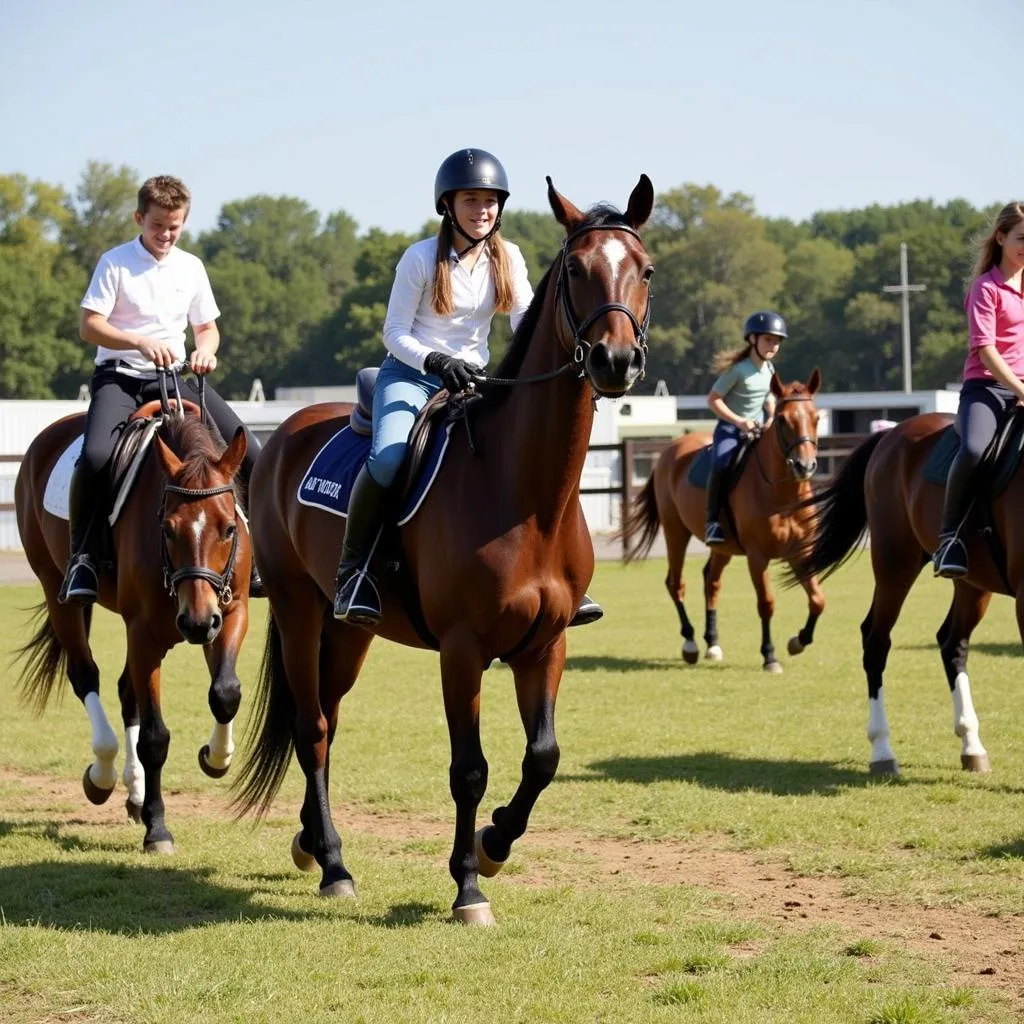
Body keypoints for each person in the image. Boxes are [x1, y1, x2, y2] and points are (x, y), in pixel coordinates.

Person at [333, 147, 603, 628]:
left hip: (476, 382)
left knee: (539, 452)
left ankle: (563, 575)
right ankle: (356, 571)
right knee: (391, 456)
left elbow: (525, 320)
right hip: (412, 376)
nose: (482, 211)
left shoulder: (509, 256)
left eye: (490, 202)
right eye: (471, 201)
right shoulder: (420, 258)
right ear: (448, 206)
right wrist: (435, 359)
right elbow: (393, 332)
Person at [59, 174, 264, 605]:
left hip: (174, 379)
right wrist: (138, 341)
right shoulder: (114, 262)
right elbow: (88, 325)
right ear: (140, 218)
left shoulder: (191, 267)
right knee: (95, 456)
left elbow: (207, 329)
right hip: (120, 377)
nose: (166, 235)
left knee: (252, 451)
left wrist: (206, 351)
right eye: (157, 226)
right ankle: (83, 557)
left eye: (175, 226)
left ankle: (259, 554)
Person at [933, 201, 1024, 579]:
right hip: (987, 389)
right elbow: (986, 351)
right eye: (1022, 238)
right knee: (973, 449)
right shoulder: (986, 288)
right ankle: (949, 537)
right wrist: (1020, 388)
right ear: (1001, 237)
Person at [703, 311, 786, 544]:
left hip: (759, 428)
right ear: (752, 339)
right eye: (769, 340)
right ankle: (712, 522)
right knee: (721, 463)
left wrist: (770, 415)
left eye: (777, 341)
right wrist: (739, 421)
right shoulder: (738, 370)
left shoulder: (769, 370)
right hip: (731, 429)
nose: (773, 345)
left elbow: (768, 396)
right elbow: (713, 399)